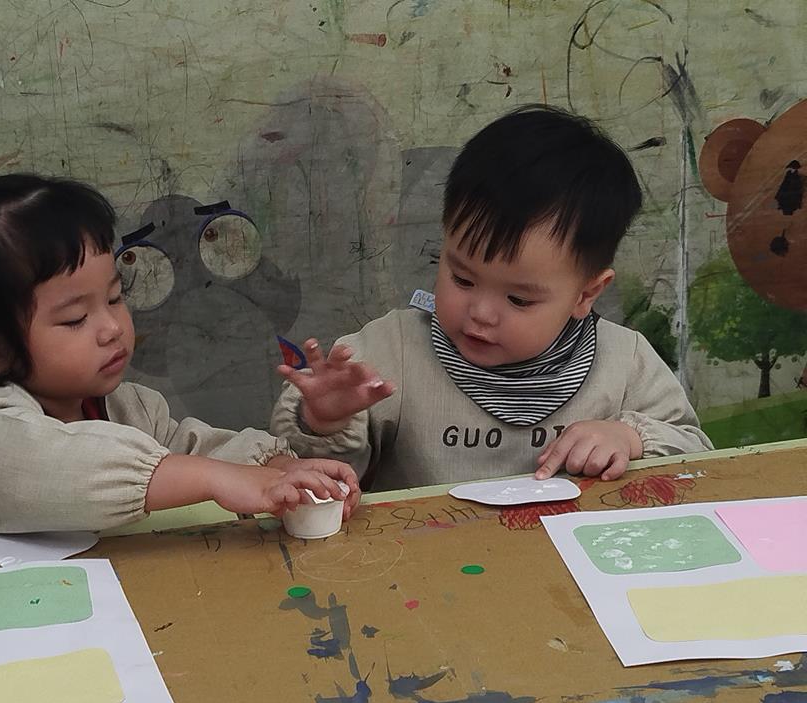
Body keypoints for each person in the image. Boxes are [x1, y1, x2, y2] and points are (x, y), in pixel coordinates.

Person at [0, 148, 358, 532]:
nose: (113, 327)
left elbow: (191, 450)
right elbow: (68, 467)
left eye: (115, 297)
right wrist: (216, 479)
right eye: (76, 318)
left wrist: (276, 470)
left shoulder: (131, 408)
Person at [271, 105, 712, 491]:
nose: (480, 313)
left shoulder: (623, 363)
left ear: (586, 294)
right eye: (462, 279)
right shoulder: (390, 352)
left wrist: (629, 438)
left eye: (519, 300)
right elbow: (304, 479)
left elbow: (697, 455)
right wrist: (324, 421)